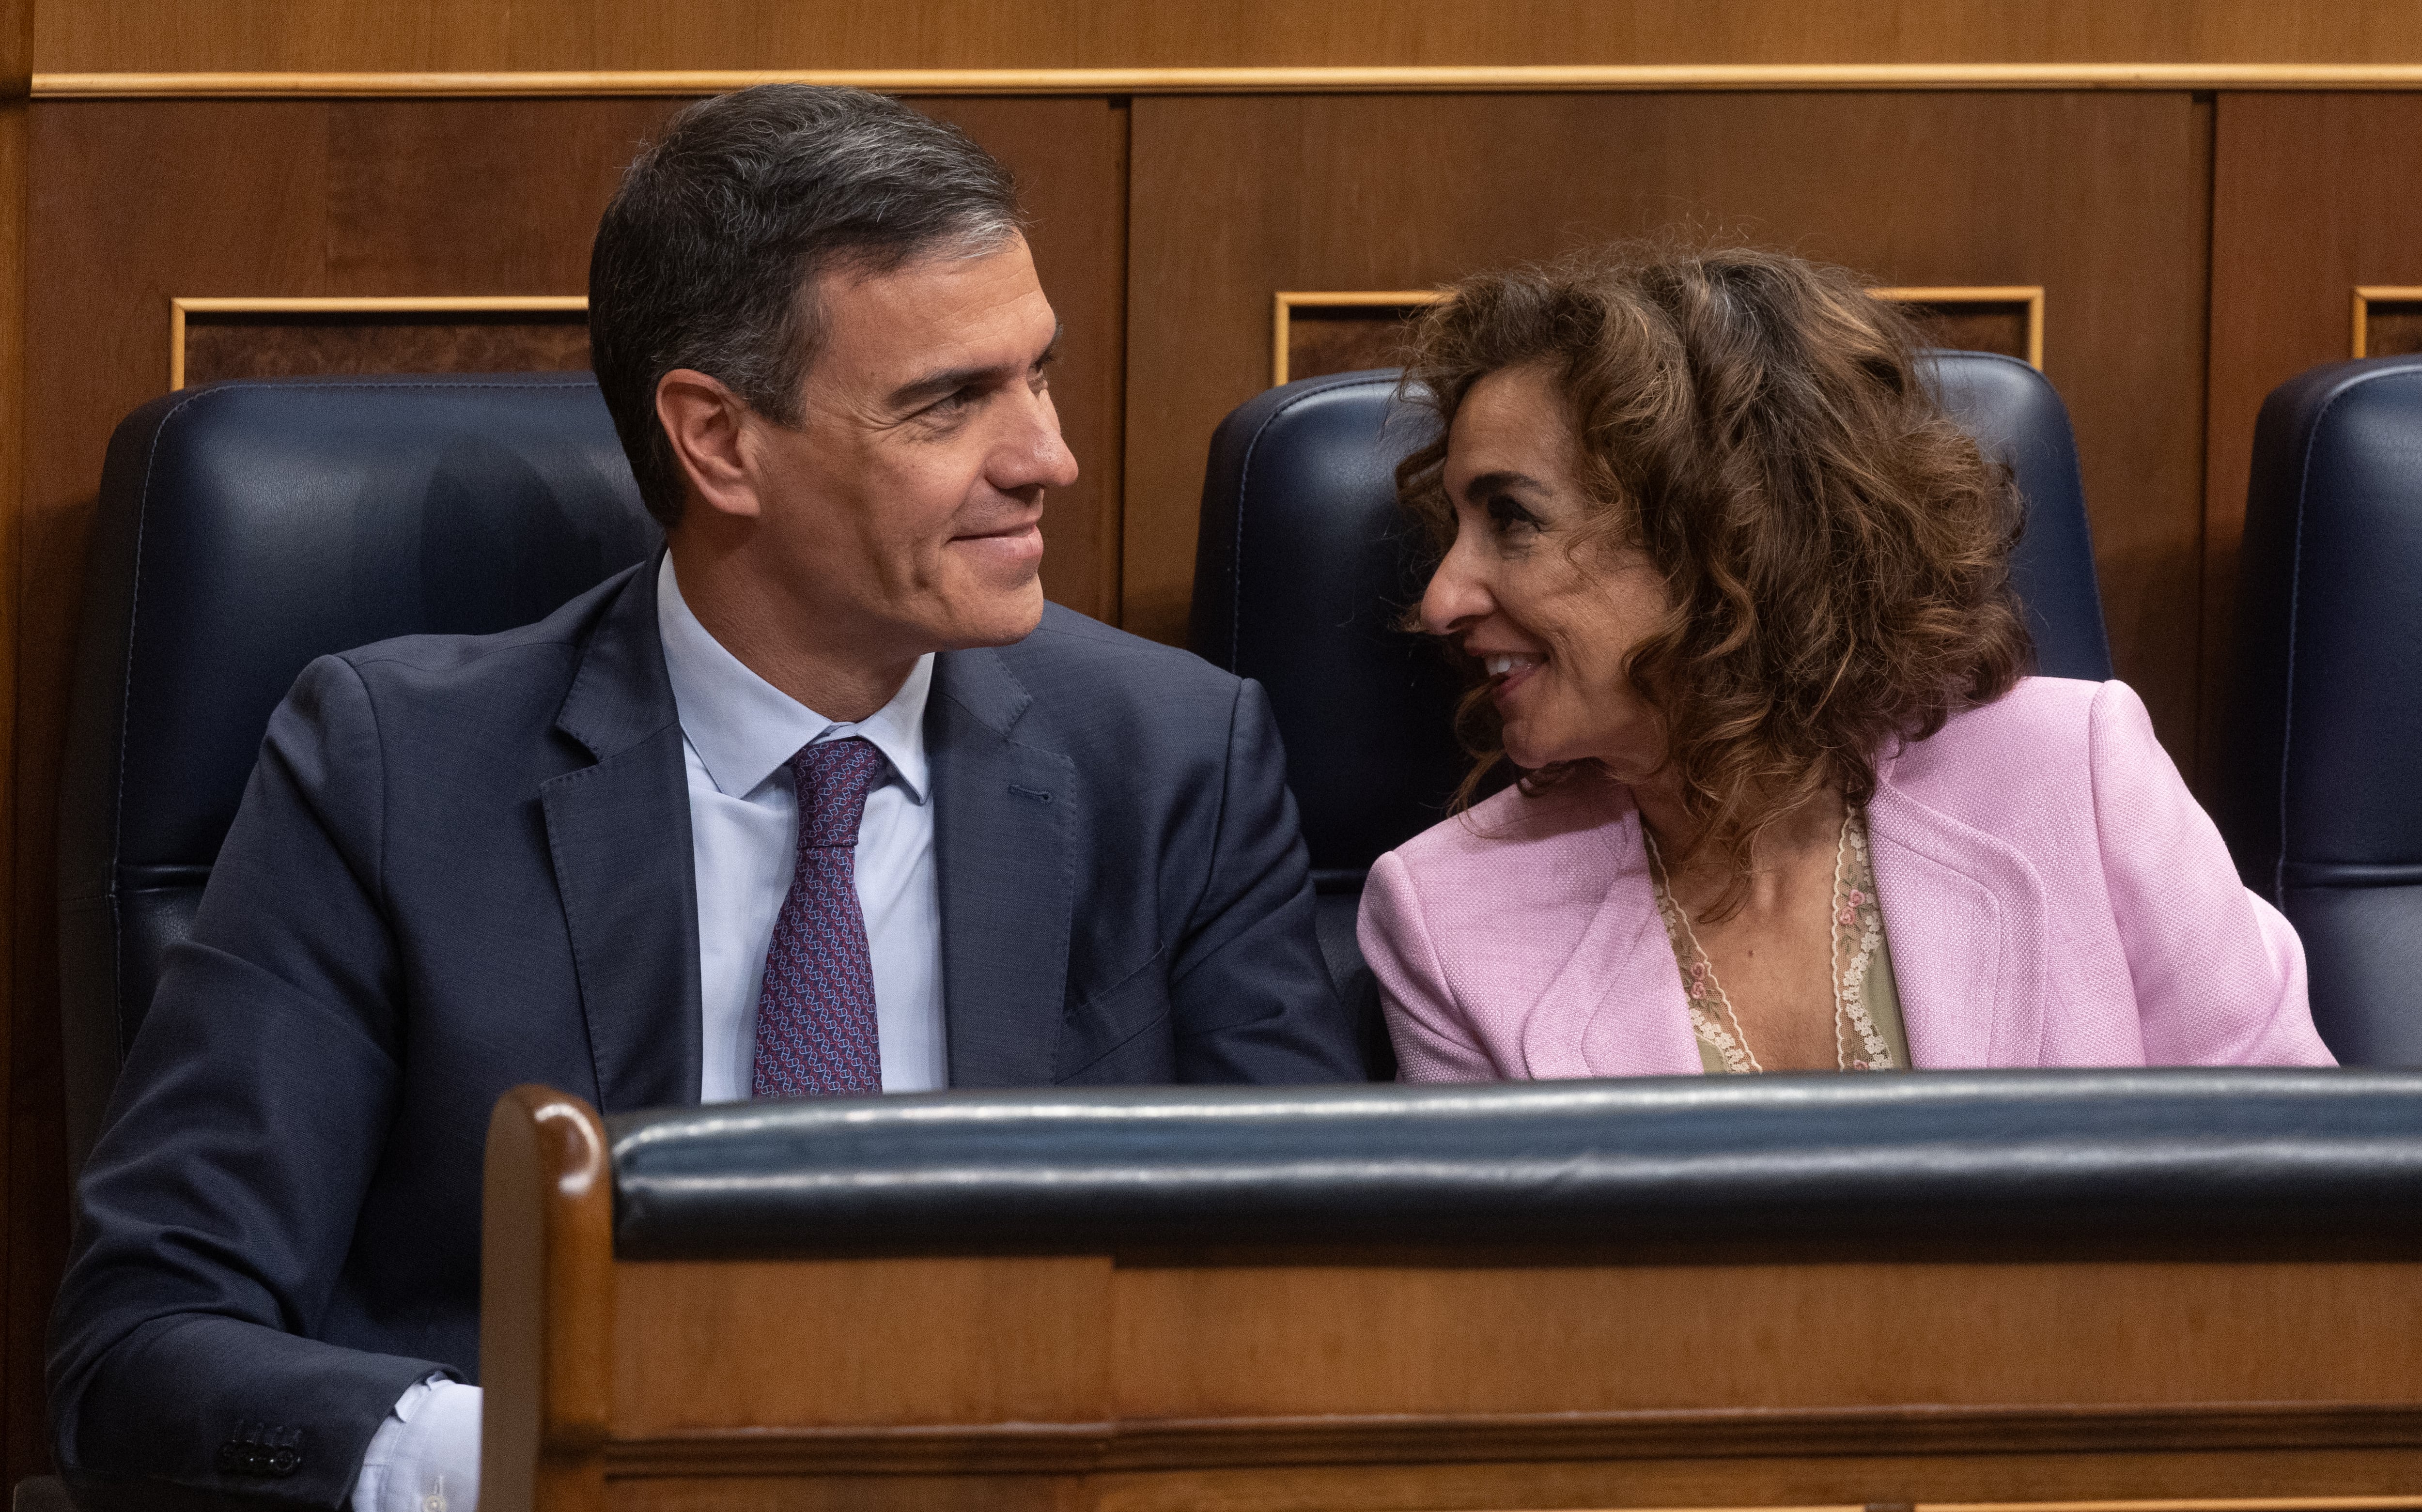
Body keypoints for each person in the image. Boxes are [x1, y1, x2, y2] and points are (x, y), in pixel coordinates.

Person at [51, 85, 1363, 1512]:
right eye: (950, 401)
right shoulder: (392, 771)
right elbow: (143, 1344)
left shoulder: (1174, 758)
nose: (1047, 454)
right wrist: (555, 1464)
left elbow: (1309, 1297)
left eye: (1036, 374)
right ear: (719, 440)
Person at [1358, 246, 2333, 1082]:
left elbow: (2299, 1195)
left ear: (1721, 533)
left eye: (1513, 520)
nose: (1441, 599)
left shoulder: (2076, 775)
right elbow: (1499, 1304)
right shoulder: (1444, 918)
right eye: (1456, 528)